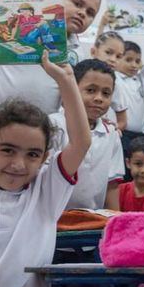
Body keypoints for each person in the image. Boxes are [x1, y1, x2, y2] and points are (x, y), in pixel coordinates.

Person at [0, 38, 91, 287]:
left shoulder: (44, 193)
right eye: (7, 150)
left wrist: (67, 80)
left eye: (33, 154)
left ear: (44, 157)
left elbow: (81, 143)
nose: (18, 164)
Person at [0, 0, 101, 127]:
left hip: (40, 128)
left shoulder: (78, 53)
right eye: (77, 3)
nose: (82, 13)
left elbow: (72, 95)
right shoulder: (8, 30)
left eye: (90, 13)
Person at [49, 59, 124, 210]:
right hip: (54, 217)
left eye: (106, 93)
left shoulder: (111, 134)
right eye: (90, 90)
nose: (99, 98)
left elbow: (112, 185)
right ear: (72, 90)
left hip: (92, 220)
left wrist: (115, 223)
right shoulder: (54, 125)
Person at [116, 40, 144, 162]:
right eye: (128, 60)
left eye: (137, 61)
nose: (134, 65)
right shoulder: (115, 77)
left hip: (140, 136)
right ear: (118, 58)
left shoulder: (140, 79)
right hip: (122, 134)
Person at [90, 31, 128, 131]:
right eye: (108, 52)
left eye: (118, 56)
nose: (113, 59)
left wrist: (112, 130)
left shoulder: (116, 85)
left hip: (99, 137)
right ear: (94, 52)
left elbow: (122, 122)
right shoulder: (79, 75)